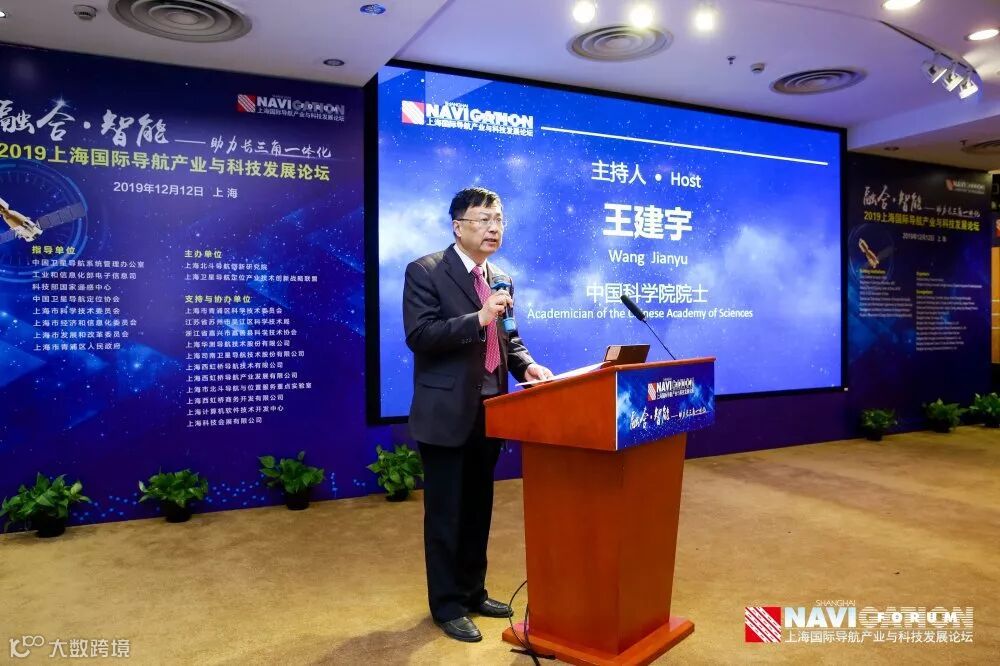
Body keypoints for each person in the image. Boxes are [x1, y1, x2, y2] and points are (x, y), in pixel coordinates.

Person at [403, 187, 553, 642]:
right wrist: (479, 318)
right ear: (458, 226)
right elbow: (421, 336)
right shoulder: (426, 270)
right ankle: (446, 605)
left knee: (477, 510)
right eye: (483, 219)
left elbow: (510, 338)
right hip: (445, 414)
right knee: (445, 515)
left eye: (499, 219)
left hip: (490, 413)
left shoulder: (502, 277)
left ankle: (472, 591)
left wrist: (527, 366)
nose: (493, 228)